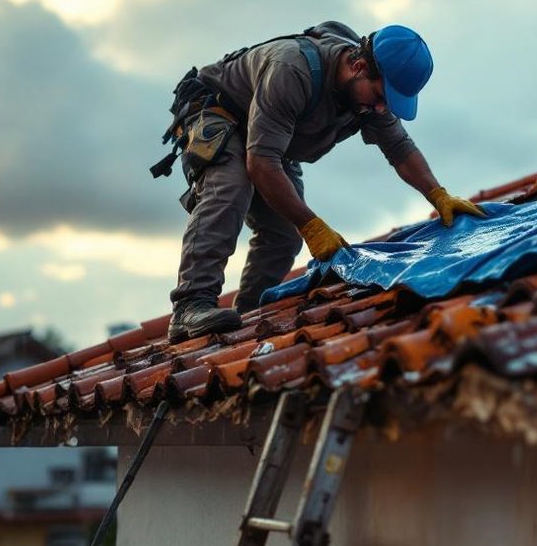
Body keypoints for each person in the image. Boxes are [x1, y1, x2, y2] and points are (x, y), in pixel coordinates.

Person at [166, 22, 485, 343]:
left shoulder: (370, 96)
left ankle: (249, 312)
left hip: (270, 135)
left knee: (284, 235)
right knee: (231, 186)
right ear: (358, 66)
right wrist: (313, 225)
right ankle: (192, 304)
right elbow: (261, 163)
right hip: (222, 111)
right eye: (379, 96)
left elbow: (401, 150)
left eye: (387, 102)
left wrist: (438, 195)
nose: (380, 108)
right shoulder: (293, 70)